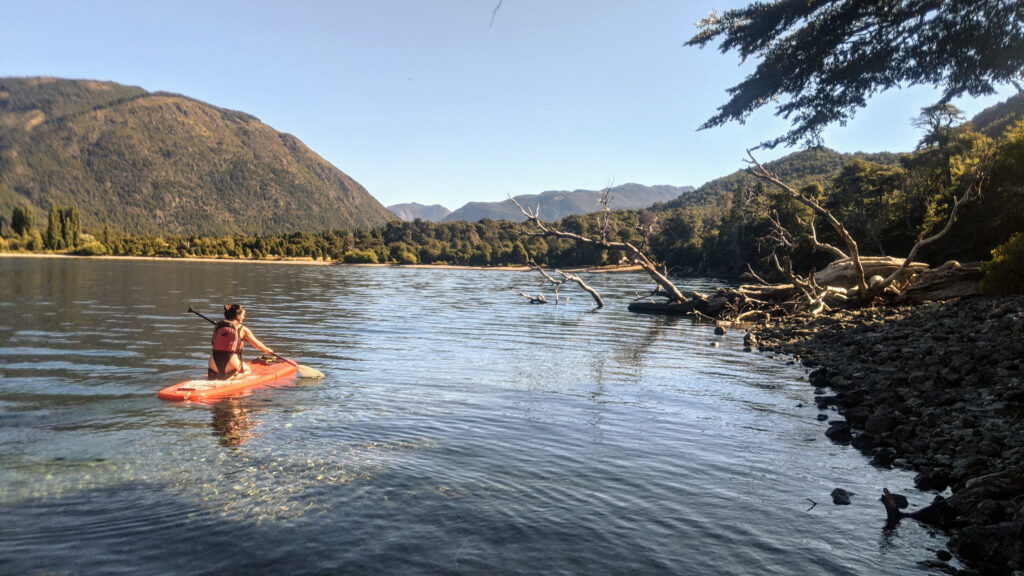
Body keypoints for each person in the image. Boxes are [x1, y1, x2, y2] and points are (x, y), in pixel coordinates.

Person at [208, 304, 274, 379]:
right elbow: (257, 344)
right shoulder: (243, 329)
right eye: (243, 315)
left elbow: (213, 342)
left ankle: (220, 375)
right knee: (248, 370)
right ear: (238, 315)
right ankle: (232, 377)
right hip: (230, 363)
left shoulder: (218, 326)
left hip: (213, 363)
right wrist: (267, 350)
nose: (243, 317)